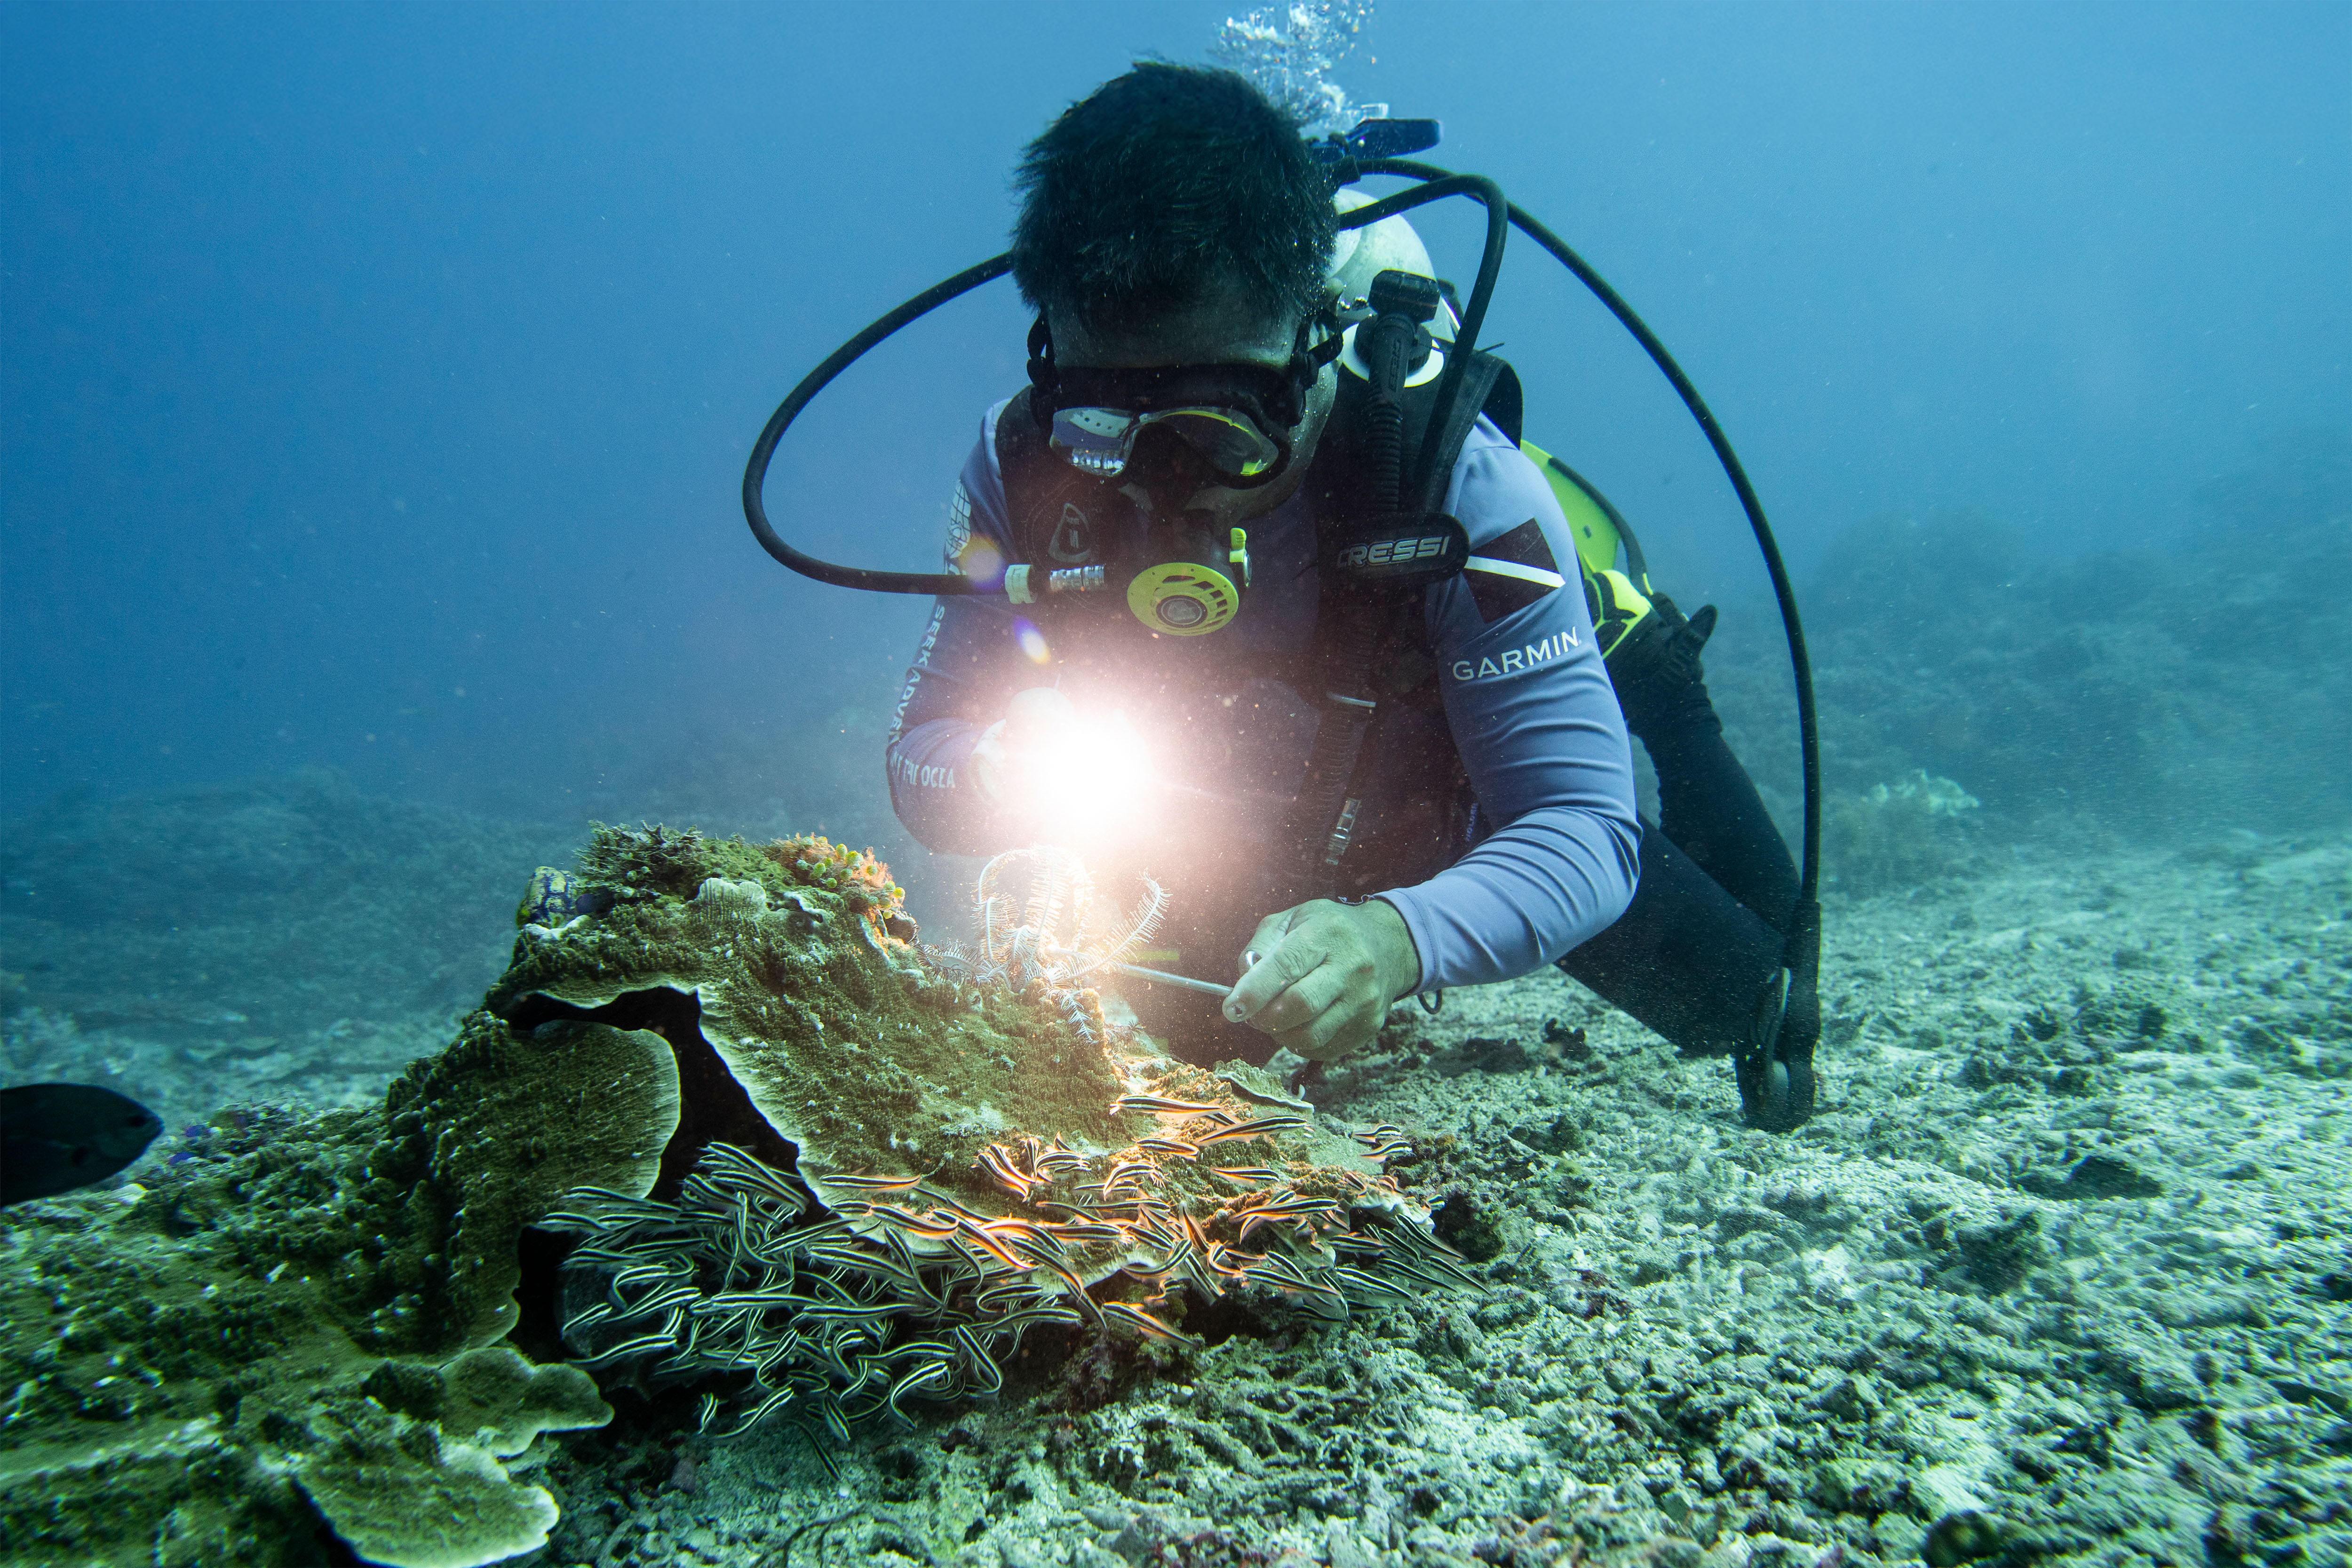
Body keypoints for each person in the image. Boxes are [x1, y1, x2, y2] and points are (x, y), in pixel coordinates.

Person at [884, 63, 1816, 1128]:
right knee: (1200, 1046)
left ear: (1311, 346)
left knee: (1760, 1006)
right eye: (1104, 424)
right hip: (1268, 810)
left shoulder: (1463, 489)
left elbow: (1578, 825)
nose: (1167, 481)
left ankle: (1629, 644)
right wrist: (996, 772)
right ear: (1052, 356)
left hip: (1441, 772)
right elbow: (923, 748)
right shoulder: (1016, 468)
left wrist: (1393, 938)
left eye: (1218, 426)